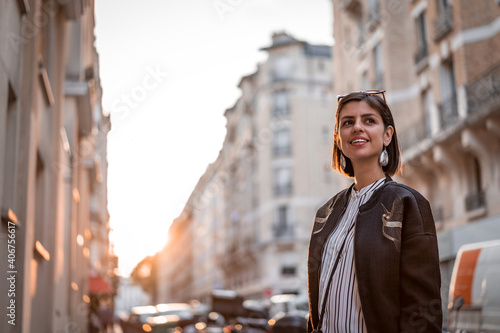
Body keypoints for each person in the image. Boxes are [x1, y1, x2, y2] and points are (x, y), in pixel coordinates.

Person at [307, 90, 442, 333]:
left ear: (387, 135)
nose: (357, 127)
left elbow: (423, 310)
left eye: (369, 120)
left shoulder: (408, 203)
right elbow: (316, 307)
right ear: (338, 139)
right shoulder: (325, 213)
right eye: (348, 123)